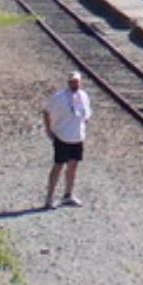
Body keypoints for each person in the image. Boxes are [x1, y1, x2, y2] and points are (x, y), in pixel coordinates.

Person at [43, 70, 91, 208]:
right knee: (58, 165)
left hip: (77, 137)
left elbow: (87, 114)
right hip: (62, 136)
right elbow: (46, 111)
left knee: (73, 166)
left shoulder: (84, 96)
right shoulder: (59, 97)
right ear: (68, 82)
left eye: (77, 81)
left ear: (80, 82)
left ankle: (68, 194)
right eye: (72, 82)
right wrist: (49, 129)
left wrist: (82, 126)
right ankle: (49, 197)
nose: (74, 84)